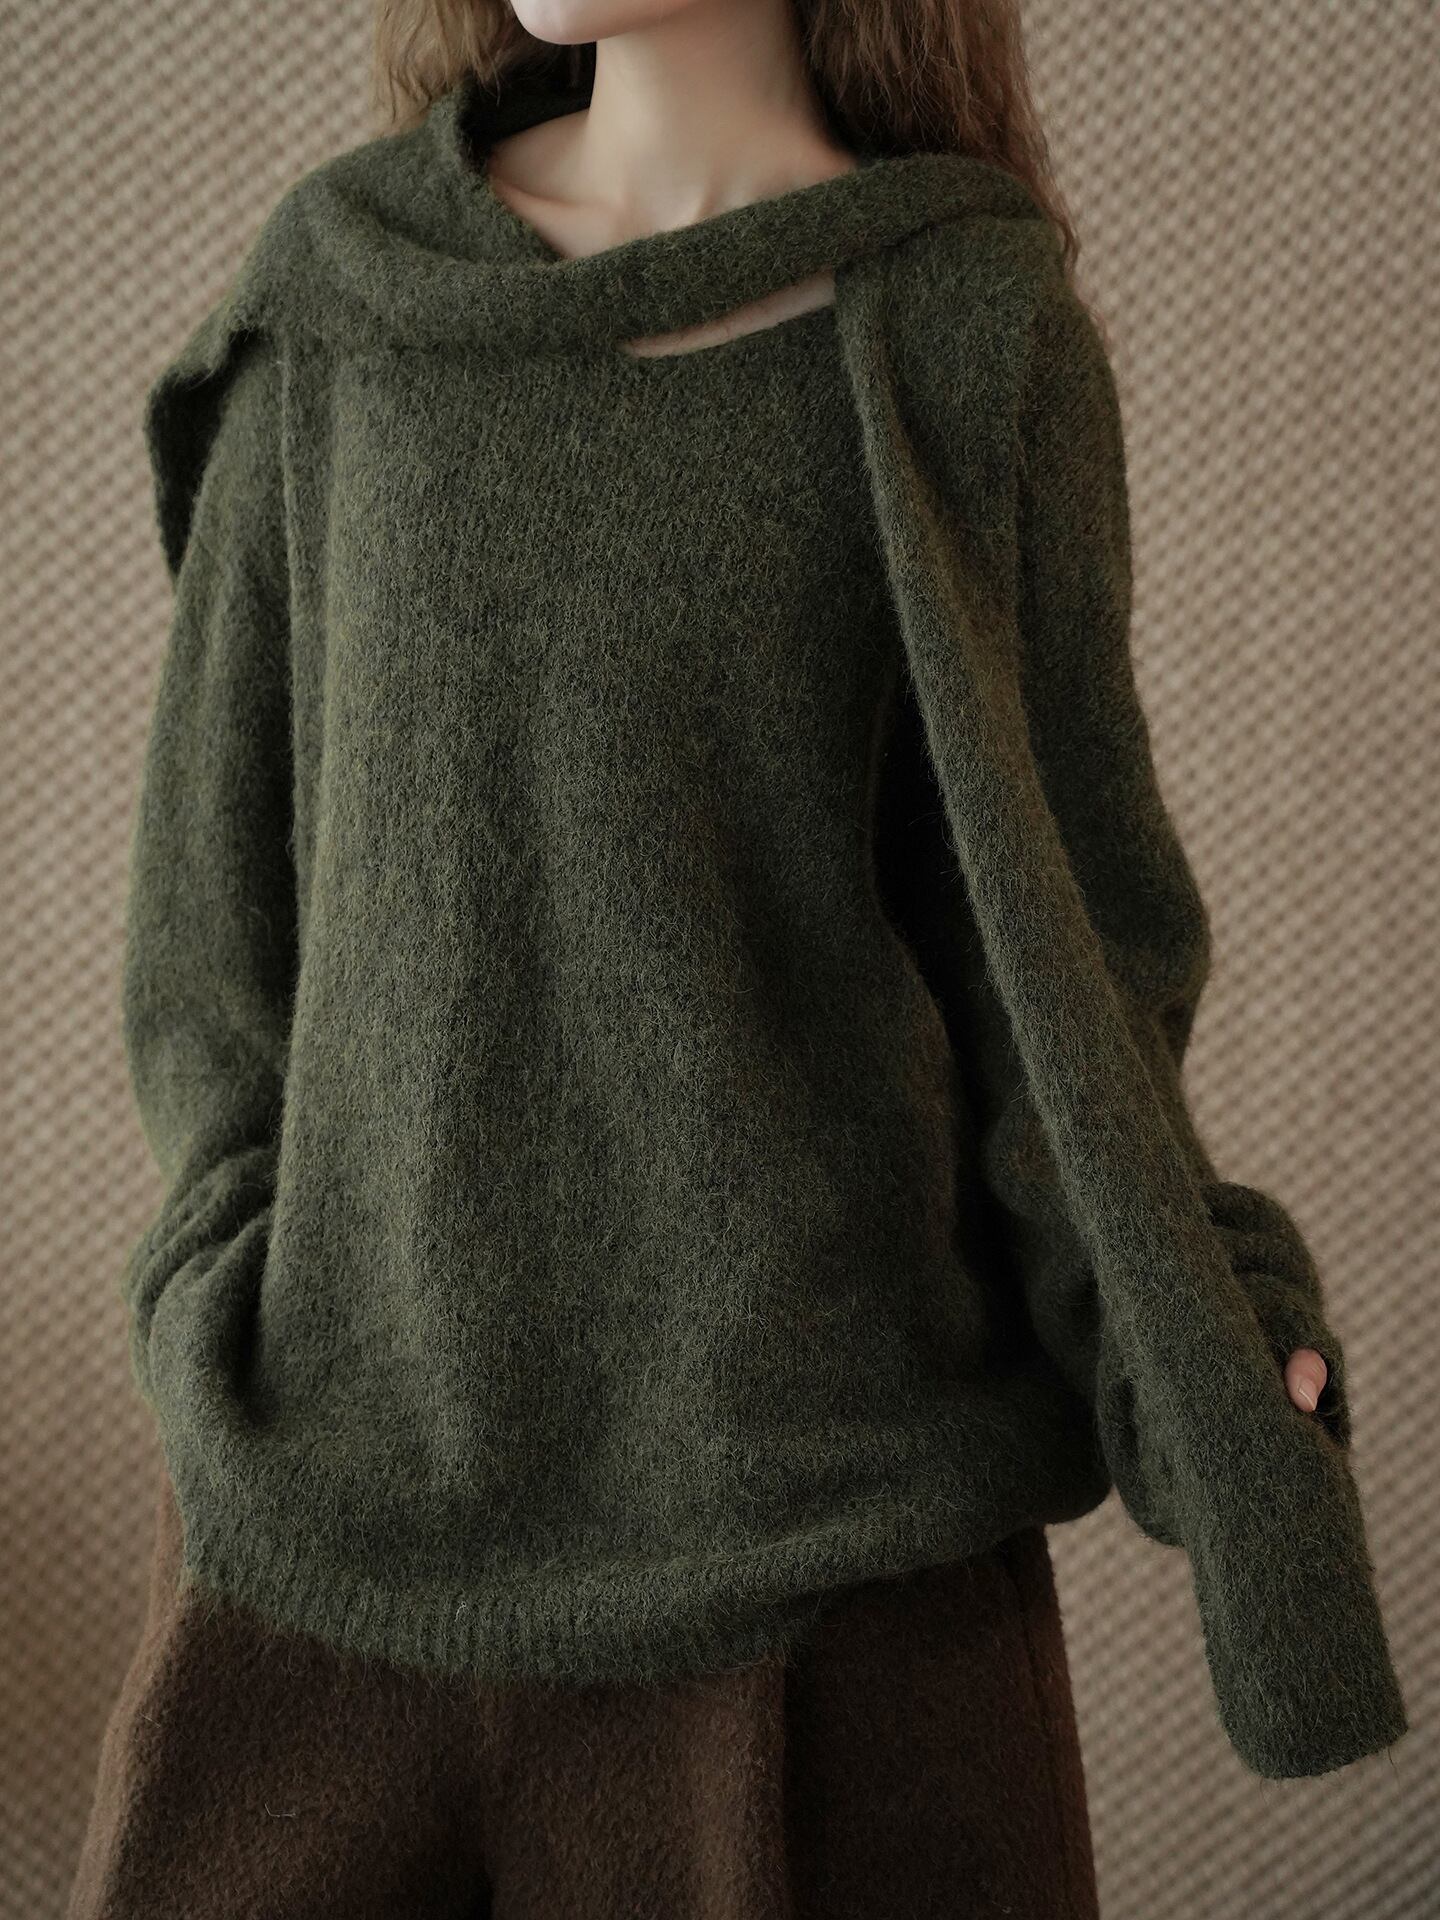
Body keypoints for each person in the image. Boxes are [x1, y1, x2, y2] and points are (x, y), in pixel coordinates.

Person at [68, 2, 1407, 1915]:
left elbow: (1057, 969)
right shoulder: (347, 297)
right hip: (328, 1551)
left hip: (838, 1585)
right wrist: (226, 1282)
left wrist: (1197, 1336)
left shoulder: (960, 332)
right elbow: (213, 938)